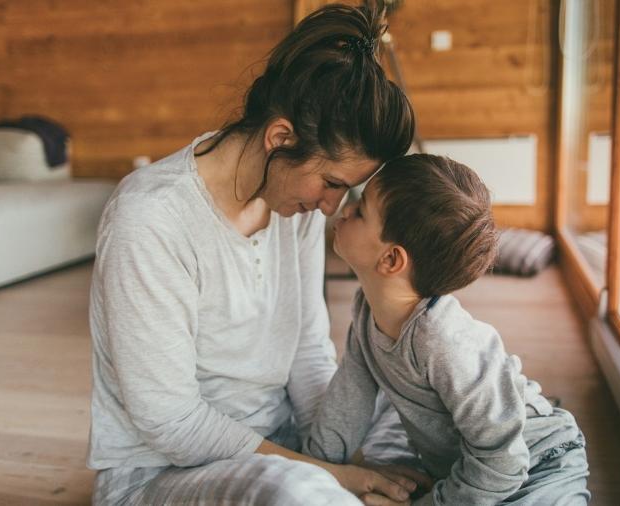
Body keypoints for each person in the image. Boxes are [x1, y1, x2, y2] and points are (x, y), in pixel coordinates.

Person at [86, 2, 421, 504]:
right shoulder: (150, 218)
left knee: (420, 415)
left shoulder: (297, 207)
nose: (333, 207)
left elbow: (308, 353)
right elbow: (169, 421)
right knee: (297, 492)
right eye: (331, 183)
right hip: (161, 472)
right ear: (280, 137)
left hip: (283, 447)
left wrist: (342, 459)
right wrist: (329, 476)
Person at [304, 154, 592, 505]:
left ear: (391, 260)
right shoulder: (367, 312)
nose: (344, 209)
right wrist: (315, 471)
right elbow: (346, 404)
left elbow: (504, 460)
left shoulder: (444, 340)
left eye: (360, 209)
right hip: (468, 471)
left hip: (539, 462)